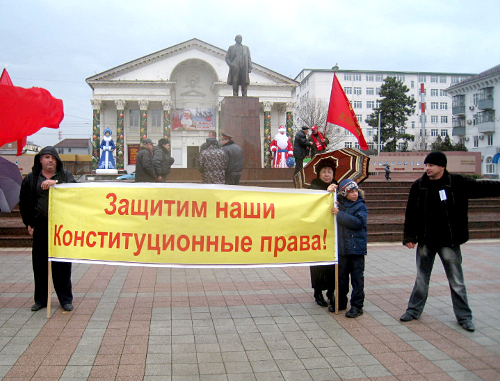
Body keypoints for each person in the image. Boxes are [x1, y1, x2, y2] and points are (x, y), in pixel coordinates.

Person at [400, 151, 500, 332]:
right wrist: (409, 237)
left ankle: (464, 317)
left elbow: (483, 187)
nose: (427, 168)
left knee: (456, 281)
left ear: (442, 167)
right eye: (426, 165)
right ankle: (413, 310)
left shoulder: (457, 183)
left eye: (431, 165)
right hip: (426, 240)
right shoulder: (419, 186)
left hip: (449, 241)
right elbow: (410, 214)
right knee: (422, 279)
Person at [19, 146, 76, 312]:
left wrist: (56, 184)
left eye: (53, 157)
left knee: (62, 265)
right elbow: (24, 202)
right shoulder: (31, 178)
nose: (50, 160)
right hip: (41, 227)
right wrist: (29, 223)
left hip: (61, 227)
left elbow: (76, 192)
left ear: (57, 160)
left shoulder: (65, 176)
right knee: (40, 265)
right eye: (46, 157)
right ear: (40, 160)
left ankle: (65, 299)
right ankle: (41, 299)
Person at [332, 179, 368, 318]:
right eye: (351, 191)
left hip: (356, 249)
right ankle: (340, 302)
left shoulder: (360, 206)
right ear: (344, 193)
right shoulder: (338, 203)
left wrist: (340, 214)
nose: (355, 194)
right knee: (341, 278)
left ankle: (357, 306)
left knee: (357, 279)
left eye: (356, 191)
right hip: (342, 249)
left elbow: (358, 223)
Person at [309, 158, 338, 310]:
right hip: (318, 232)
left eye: (329, 172)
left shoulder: (339, 187)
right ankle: (318, 291)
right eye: (324, 172)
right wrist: (325, 194)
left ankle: (332, 292)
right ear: (319, 173)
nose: (327, 175)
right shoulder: (313, 187)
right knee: (318, 264)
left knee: (333, 263)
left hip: (333, 232)